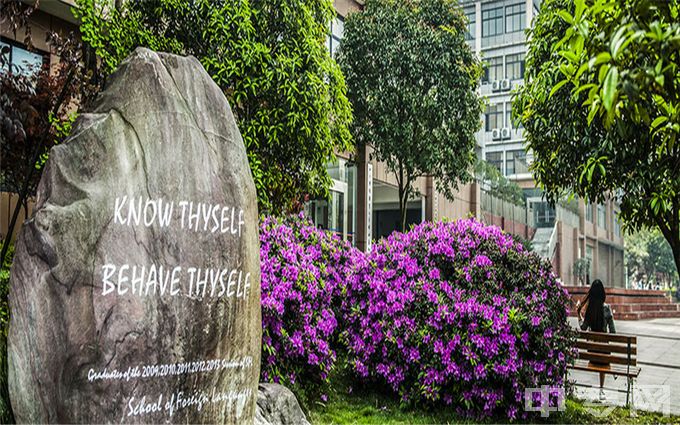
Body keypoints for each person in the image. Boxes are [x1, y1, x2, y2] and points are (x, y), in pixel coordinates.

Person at [577, 279, 616, 400]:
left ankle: (607, 363)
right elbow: (613, 332)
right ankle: (601, 389)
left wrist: (578, 314)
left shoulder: (589, 310)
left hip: (591, 354)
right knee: (604, 351)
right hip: (604, 355)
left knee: (599, 348)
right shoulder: (607, 308)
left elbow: (583, 328)